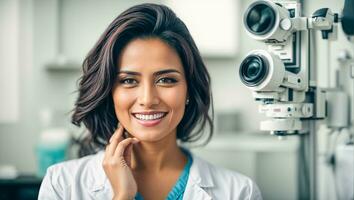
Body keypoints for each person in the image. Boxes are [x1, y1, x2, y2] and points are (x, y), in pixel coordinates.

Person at [38, 3, 262, 200]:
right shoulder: (61, 185)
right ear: (109, 92)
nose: (147, 99)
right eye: (128, 81)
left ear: (189, 90)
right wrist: (122, 196)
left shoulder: (240, 192)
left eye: (166, 80)